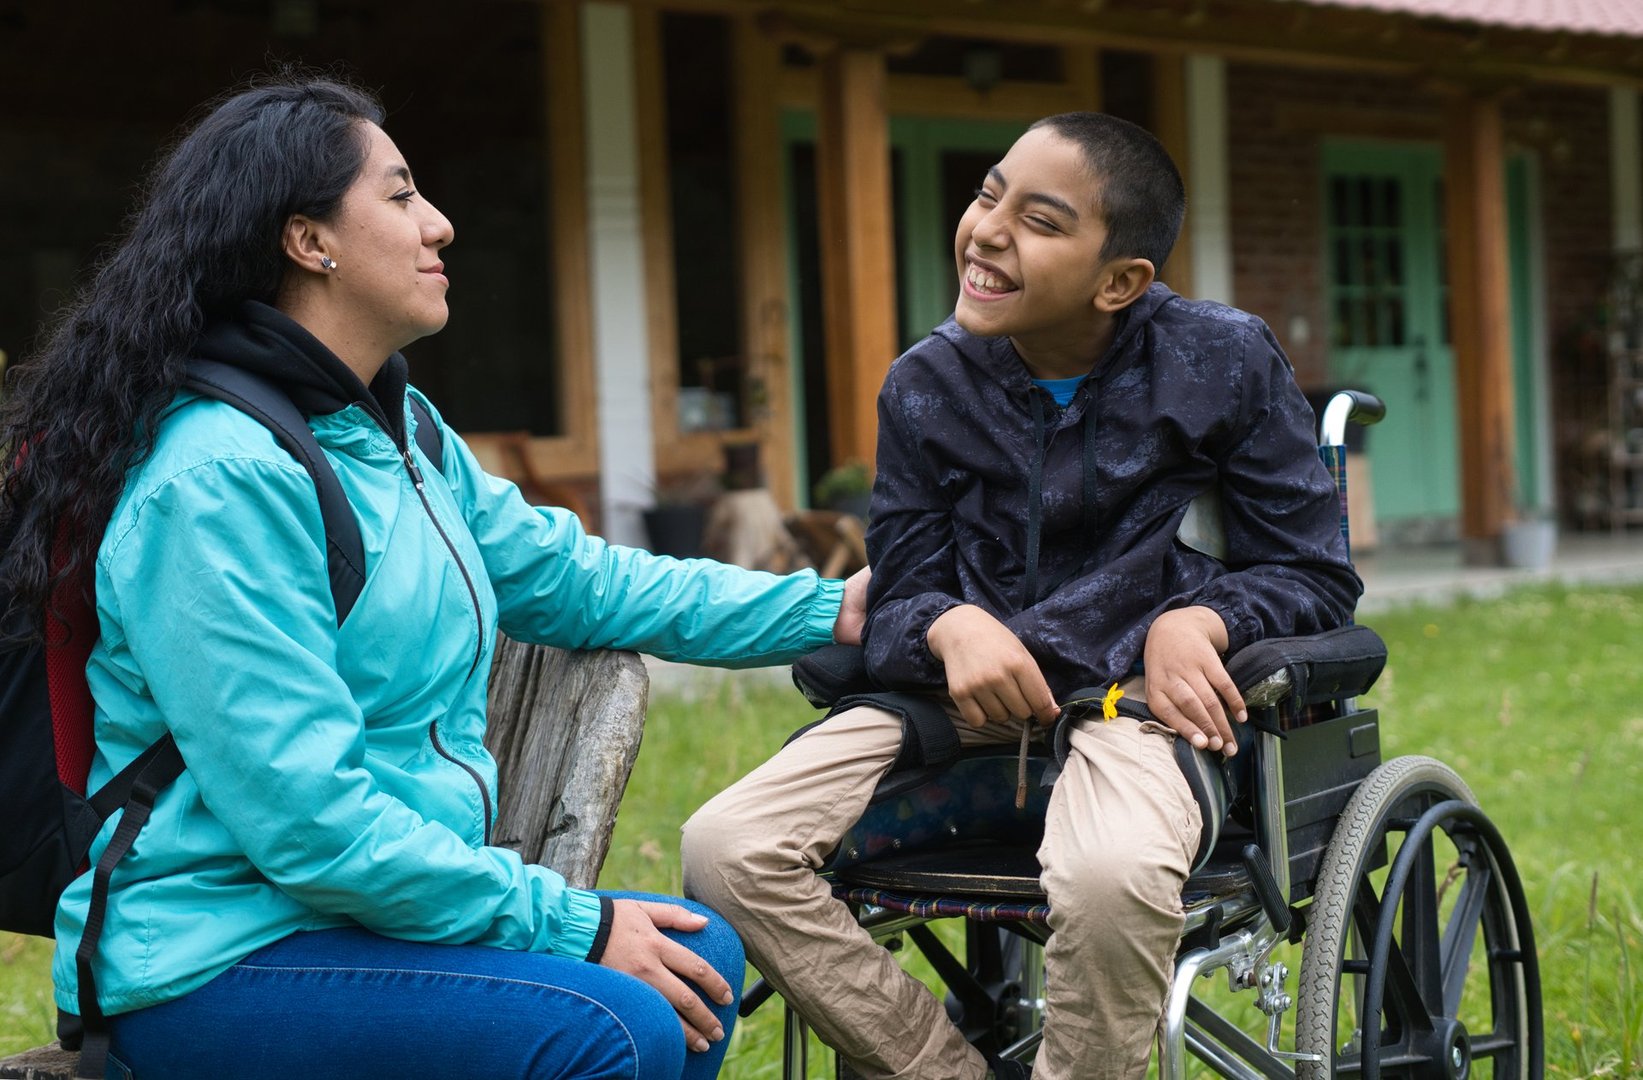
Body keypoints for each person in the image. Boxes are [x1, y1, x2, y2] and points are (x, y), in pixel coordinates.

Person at [0, 74, 867, 1080]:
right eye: (401, 194)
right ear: (307, 240)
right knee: (617, 1025)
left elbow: (578, 578)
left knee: (696, 958)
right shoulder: (220, 481)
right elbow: (311, 823)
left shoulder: (396, 431)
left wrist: (826, 608)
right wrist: (571, 924)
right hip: (219, 957)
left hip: (365, 920)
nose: (440, 224)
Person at [681, 112, 1361, 1080]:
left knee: (1111, 875)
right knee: (726, 845)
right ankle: (941, 1069)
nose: (988, 228)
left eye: (1039, 220)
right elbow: (905, 582)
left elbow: (1312, 571)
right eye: (987, 193)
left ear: (1118, 280)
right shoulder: (926, 383)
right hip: (957, 698)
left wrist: (1197, 621)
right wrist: (950, 624)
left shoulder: (1216, 360)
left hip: (1131, 700)